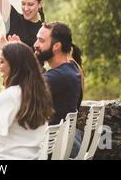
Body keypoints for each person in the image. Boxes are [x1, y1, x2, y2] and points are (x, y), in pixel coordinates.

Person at [0, 42, 54, 159]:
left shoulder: (13, 94)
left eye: (2, 61)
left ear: (15, 65)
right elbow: (1, 105)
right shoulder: (34, 91)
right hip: (30, 156)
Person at [34, 21, 83, 157]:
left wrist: (14, 58)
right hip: (62, 143)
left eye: (41, 40)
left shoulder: (59, 76)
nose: (35, 44)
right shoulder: (70, 68)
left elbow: (22, 90)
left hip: (50, 149)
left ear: (56, 46)